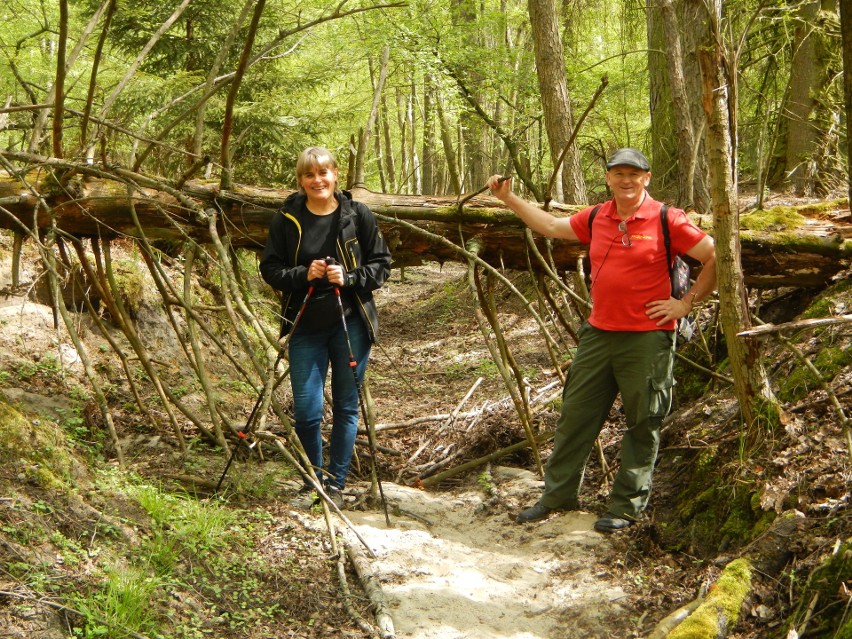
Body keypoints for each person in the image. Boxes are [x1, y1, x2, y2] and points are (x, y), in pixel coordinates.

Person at [487, 148, 717, 532]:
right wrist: (509, 198)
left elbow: (715, 255)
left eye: (634, 174)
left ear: (646, 177)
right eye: (618, 173)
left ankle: (625, 507)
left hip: (647, 339)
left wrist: (686, 304)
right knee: (576, 416)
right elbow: (550, 226)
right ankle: (557, 495)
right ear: (608, 178)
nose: (626, 180)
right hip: (598, 334)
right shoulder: (598, 216)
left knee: (643, 422)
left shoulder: (666, 219)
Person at [260, 146, 391, 507]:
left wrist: (347, 278)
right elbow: (270, 269)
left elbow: (381, 265)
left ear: (335, 174)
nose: (317, 180)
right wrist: (305, 274)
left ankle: (336, 482)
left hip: (352, 323)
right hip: (304, 325)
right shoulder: (287, 218)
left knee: (347, 406)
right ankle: (312, 480)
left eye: (323, 173)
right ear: (301, 180)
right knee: (306, 409)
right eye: (309, 175)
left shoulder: (357, 214)